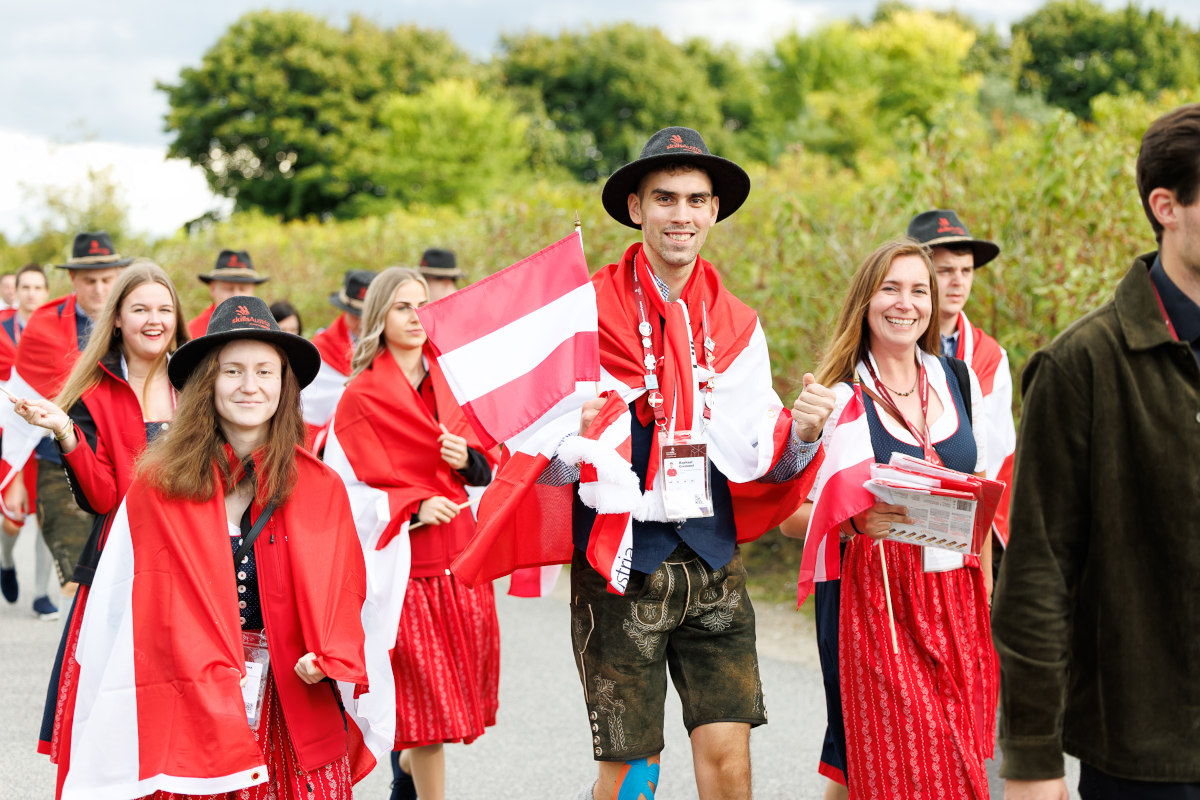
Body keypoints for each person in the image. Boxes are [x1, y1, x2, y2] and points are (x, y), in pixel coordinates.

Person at [54, 295, 374, 799]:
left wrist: (328, 655)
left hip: (290, 698)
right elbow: (131, 602)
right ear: (208, 383)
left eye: (265, 372)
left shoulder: (321, 486)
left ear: (284, 384)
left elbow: (345, 590)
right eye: (233, 371)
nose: (250, 386)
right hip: (188, 701)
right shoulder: (158, 487)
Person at [992, 104, 1200, 799]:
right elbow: (1037, 573)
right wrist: (1032, 758)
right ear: (1165, 207)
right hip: (1145, 752)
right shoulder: (1081, 365)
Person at [791, 238, 997, 800]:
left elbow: (978, 496)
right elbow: (792, 515)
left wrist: (983, 591)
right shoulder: (841, 398)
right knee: (910, 769)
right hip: (877, 601)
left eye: (918, 290)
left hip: (955, 596)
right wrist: (855, 524)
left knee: (951, 758)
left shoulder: (957, 380)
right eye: (890, 289)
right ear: (865, 301)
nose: (906, 303)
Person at [324, 267, 497, 800]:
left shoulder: (455, 380)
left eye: (423, 305)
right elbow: (340, 493)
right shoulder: (359, 397)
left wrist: (466, 460)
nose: (416, 316)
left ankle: (404, 779)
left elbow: (489, 468)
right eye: (403, 306)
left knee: (442, 706)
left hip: (460, 562)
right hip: (404, 572)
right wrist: (413, 505)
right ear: (380, 315)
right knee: (429, 717)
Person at [10, 262, 187, 762]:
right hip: (122, 566)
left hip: (195, 562)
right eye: (140, 309)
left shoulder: (199, 384)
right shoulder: (94, 392)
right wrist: (66, 433)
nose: (154, 320)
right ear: (117, 319)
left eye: (164, 309)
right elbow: (105, 497)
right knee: (114, 712)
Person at [12, 231, 131, 592]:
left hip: (122, 459)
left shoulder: (136, 318)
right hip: (57, 459)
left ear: (118, 277)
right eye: (90, 280)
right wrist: (14, 476)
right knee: (79, 576)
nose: (99, 289)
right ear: (73, 279)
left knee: (119, 577)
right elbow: (19, 400)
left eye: (107, 279)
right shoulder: (44, 324)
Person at [906, 209, 1016, 569]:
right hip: (902, 521)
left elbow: (998, 451)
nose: (958, 282)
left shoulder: (989, 356)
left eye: (966, 271)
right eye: (945, 270)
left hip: (968, 520)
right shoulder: (890, 349)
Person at [0, 262, 54, 617]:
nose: (32, 293)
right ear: (15, 291)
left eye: (38, 287)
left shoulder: (59, 331)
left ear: (47, 292)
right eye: (26, 287)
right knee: (13, 517)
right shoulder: (3, 327)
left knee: (48, 515)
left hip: (47, 433)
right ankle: (6, 562)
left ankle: (41, 594)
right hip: (9, 432)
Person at [300, 269, 374, 452]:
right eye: (355, 316)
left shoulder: (391, 343)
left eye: (366, 316)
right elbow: (310, 404)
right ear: (344, 310)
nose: (361, 323)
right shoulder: (321, 348)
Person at [187, 249, 268, 338]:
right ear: (213, 289)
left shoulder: (266, 327)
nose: (236, 295)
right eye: (228, 289)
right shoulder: (192, 333)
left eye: (243, 289)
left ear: (253, 290)